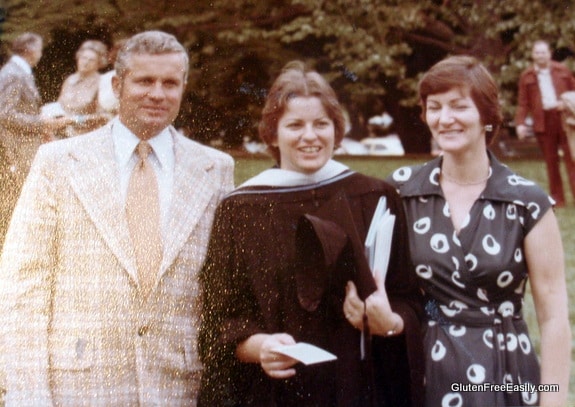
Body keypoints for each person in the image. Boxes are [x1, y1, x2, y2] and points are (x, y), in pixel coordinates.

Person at [0, 30, 234, 406]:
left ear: (183, 88)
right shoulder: (59, 162)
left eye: (170, 83)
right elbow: (23, 286)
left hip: (178, 386)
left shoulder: (215, 168)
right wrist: (29, 395)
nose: (157, 93)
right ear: (117, 84)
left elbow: (221, 288)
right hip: (79, 386)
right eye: (144, 81)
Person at [198, 60, 424, 406]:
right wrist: (258, 347)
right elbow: (218, 321)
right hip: (274, 393)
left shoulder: (375, 198)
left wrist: (390, 321)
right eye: (295, 125)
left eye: (321, 124)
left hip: (360, 388)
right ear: (272, 134)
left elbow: (410, 300)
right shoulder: (241, 210)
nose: (310, 136)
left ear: (337, 129)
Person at [386, 55, 570, 406]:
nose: (445, 119)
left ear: (486, 115)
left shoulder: (526, 202)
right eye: (434, 107)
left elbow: (554, 316)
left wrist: (554, 401)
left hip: (505, 372)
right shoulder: (402, 191)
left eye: (458, 106)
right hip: (427, 370)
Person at [0, 32, 71, 248]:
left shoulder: (18, 71)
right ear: (30, 50)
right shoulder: (14, 74)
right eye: (39, 49)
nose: (41, 54)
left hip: (23, 147)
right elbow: (5, 113)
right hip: (17, 150)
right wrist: (43, 123)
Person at [515, 40, 575, 207]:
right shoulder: (527, 76)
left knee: (572, 158)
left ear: (549, 53)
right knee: (551, 161)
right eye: (537, 52)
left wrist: (567, 104)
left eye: (543, 52)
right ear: (533, 55)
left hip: (564, 119)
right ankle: (558, 199)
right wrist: (520, 123)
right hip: (543, 122)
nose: (541, 56)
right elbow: (523, 102)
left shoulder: (562, 70)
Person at [51, 39, 111, 137]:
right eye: (83, 58)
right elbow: (59, 106)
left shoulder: (102, 82)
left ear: (99, 63)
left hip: (86, 135)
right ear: (78, 58)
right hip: (60, 135)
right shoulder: (70, 79)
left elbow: (105, 117)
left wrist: (75, 119)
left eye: (91, 60)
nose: (85, 62)